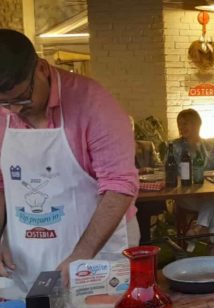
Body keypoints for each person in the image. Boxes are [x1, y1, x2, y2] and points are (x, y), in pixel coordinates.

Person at [0, 29, 139, 293]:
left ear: (41, 69)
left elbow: (119, 186)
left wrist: (82, 255)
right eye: (5, 104)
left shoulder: (93, 103)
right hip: (25, 255)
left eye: (22, 99)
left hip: (96, 251)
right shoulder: (4, 110)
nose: (15, 110)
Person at [172, 109, 214, 245]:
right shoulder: (174, 146)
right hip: (186, 195)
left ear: (196, 125)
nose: (181, 128)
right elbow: (171, 171)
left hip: (208, 193)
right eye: (179, 124)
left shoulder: (210, 145)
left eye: (185, 124)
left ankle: (197, 228)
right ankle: (213, 246)